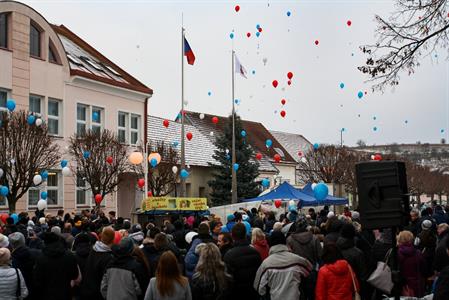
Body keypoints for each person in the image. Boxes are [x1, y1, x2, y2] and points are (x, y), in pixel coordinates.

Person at [254, 231, 312, 300]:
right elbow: (309, 271)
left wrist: (265, 294)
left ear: (270, 244)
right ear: (284, 242)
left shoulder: (266, 264)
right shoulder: (297, 260)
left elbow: (258, 286)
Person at [33, 232, 79, 300]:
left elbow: (37, 280)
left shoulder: (40, 258)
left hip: (47, 294)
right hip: (65, 293)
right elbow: (75, 275)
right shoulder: (69, 255)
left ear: (45, 242)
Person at [224, 222, 262, 300]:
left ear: (232, 236)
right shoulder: (255, 252)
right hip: (253, 292)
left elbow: (227, 279)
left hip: (237, 294)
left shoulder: (229, 255)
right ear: (245, 234)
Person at [287, 217, 322, 300]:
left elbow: (288, 257)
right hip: (311, 272)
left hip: (296, 273)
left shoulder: (290, 240)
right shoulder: (314, 238)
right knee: (312, 295)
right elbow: (320, 257)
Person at [80, 226, 115, 300]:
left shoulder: (93, 249)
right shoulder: (108, 257)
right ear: (112, 239)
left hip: (87, 289)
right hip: (98, 293)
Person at [336, 223, 369, 297]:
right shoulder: (357, 253)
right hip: (353, 288)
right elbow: (363, 275)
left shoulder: (335, 249)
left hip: (338, 289)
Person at [8, 232, 40, 300]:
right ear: (24, 240)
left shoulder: (8, 259)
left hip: (19, 291)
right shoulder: (37, 253)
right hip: (36, 287)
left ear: (10, 244)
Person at [397, 230, 427, 297]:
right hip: (417, 285)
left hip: (403, 285)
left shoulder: (397, 253)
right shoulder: (418, 253)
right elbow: (424, 270)